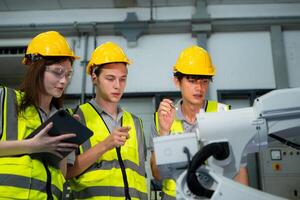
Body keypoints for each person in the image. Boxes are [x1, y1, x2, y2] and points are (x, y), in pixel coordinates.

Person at [150, 45, 249, 199]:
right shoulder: (161, 119)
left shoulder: (224, 114)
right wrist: (164, 132)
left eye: (204, 81)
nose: (199, 88)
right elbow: (157, 174)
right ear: (177, 81)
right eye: (192, 81)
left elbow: (239, 169)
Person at [0, 31, 80, 200]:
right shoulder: (5, 98)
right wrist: (31, 145)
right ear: (34, 67)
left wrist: (65, 146)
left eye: (68, 74)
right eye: (57, 72)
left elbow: (62, 174)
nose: (64, 81)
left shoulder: (61, 116)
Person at [67, 41, 148, 200]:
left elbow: (140, 176)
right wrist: (106, 144)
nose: (118, 86)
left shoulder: (135, 123)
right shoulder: (75, 117)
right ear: (94, 78)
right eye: (110, 78)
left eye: (123, 79)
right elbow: (67, 172)